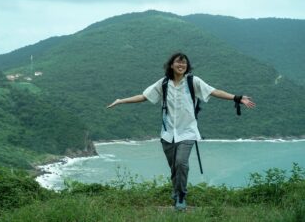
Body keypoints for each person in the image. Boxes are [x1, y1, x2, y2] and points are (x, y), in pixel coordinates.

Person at [107, 52, 255, 210]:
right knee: (174, 167)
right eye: (178, 62)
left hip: (188, 132)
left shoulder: (193, 81)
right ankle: (176, 192)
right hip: (167, 133)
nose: (181, 65)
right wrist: (121, 101)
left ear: (187, 66)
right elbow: (144, 96)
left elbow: (214, 91)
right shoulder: (163, 83)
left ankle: (181, 196)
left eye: (184, 63)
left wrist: (237, 98)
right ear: (171, 65)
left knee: (181, 163)